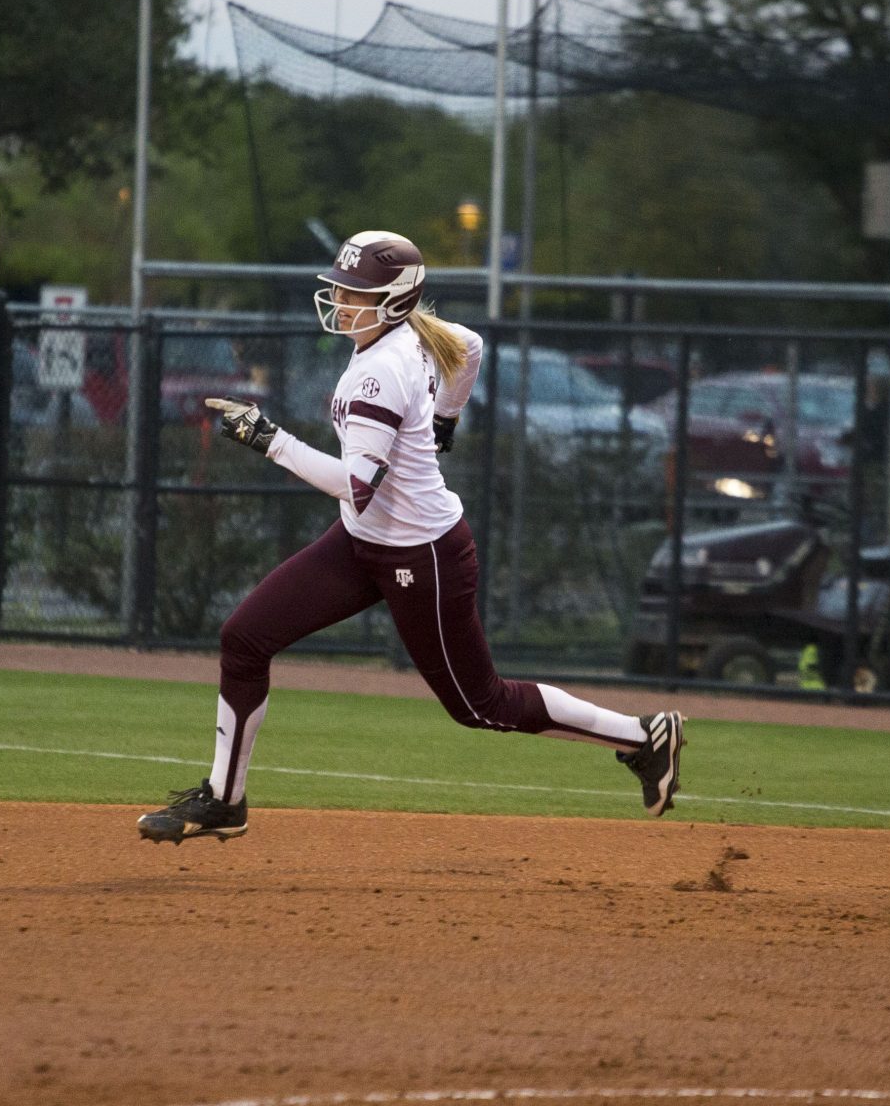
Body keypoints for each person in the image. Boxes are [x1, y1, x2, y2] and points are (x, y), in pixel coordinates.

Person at [139, 231, 685, 843]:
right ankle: (224, 798)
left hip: (420, 554)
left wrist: (271, 440)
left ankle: (642, 736)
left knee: (481, 705)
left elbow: (356, 486)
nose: (341, 300)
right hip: (363, 542)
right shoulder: (413, 335)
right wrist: (447, 416)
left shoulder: (382, 370)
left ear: (395, 301)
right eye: (342, 288)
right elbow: (471, 347)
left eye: (356, 292)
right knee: (244, 638)